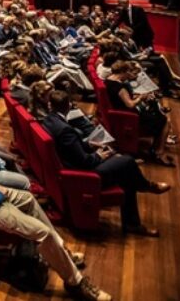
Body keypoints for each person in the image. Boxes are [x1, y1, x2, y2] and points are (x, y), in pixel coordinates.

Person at [0, 114, 111, 301]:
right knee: (43, 233)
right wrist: (0, 194)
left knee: (29, 199)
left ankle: (63, 251)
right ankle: (75, 283)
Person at [42, 90, 170, 236]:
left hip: (70, 166)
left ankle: (133, 223)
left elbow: (69, 149)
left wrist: (90, 145)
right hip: (81, 175)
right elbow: (84, 162)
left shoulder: (48, 121)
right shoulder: (64, 130)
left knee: (125, 171)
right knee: (127, 162)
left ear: (50, 105)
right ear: (68, 106)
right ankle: (145, 187)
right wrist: (98, 155)